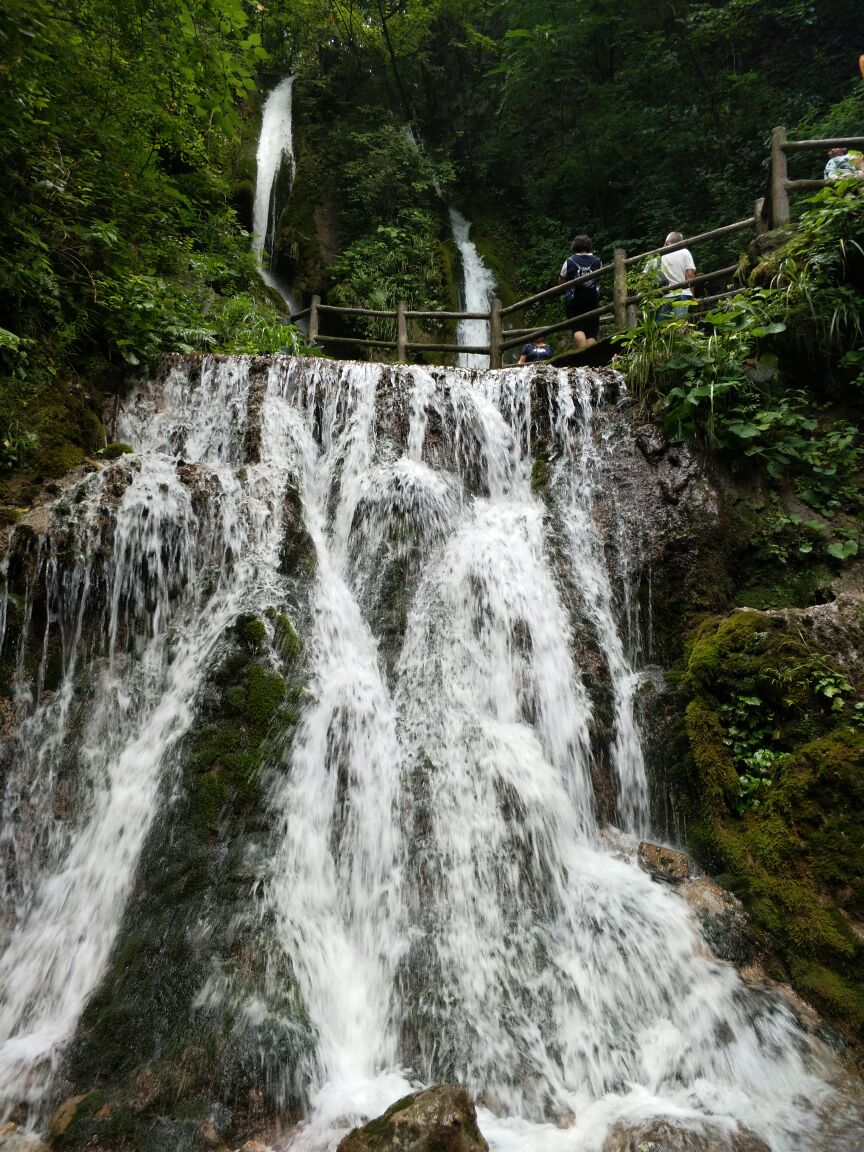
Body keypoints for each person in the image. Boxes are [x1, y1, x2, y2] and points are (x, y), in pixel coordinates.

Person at [558, 235, 602, 350]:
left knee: (578, 328)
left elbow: (561, 282)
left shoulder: (569, 261)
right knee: (591, 332)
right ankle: (591, 359)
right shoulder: (598, 261)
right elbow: (599, 279)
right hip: (592, 300)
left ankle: (583, 356)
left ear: (575, 246)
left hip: (574, 301)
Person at [655, 231, 696, 320]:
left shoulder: (660, 255)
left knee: (662, 327)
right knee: (679, 325)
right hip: (683, 294)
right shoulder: (685, 252)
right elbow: (689, 274)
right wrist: (691, 295)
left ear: (666, 243)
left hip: (665, 296)